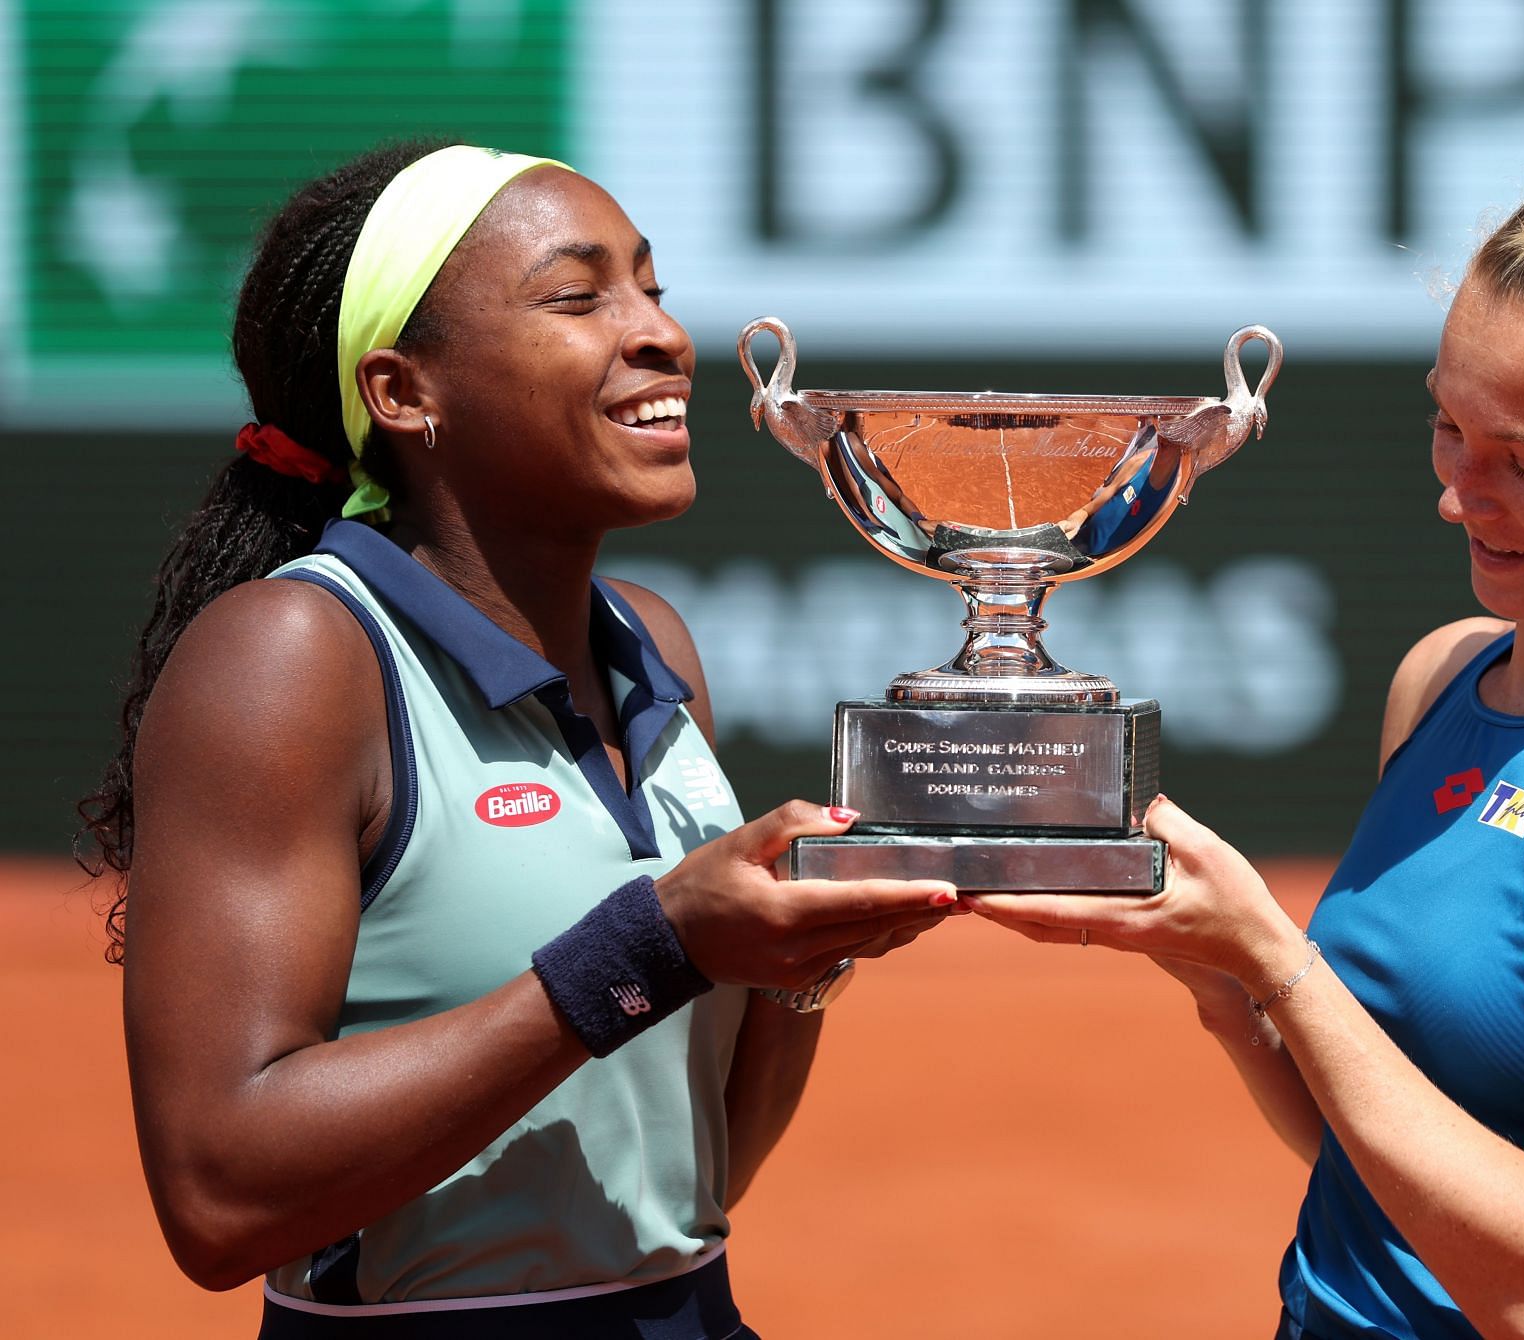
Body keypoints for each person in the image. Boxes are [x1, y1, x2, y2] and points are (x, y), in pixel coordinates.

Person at [969, 106, 1524, 1338]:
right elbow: (1374, 1156)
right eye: (1448, 423)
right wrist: (1223, 977)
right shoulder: (1441, 676)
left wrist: (1281, 959)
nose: (1457, 493)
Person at [75, 141, 967, 1337]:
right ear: (403, 393)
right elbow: (219, 1193)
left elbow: (691, 1180)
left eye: (651, 286)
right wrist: (648, 945)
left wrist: (803, 959)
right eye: (578, 295)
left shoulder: (652, 642)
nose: (659, 334)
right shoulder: (293, 653)